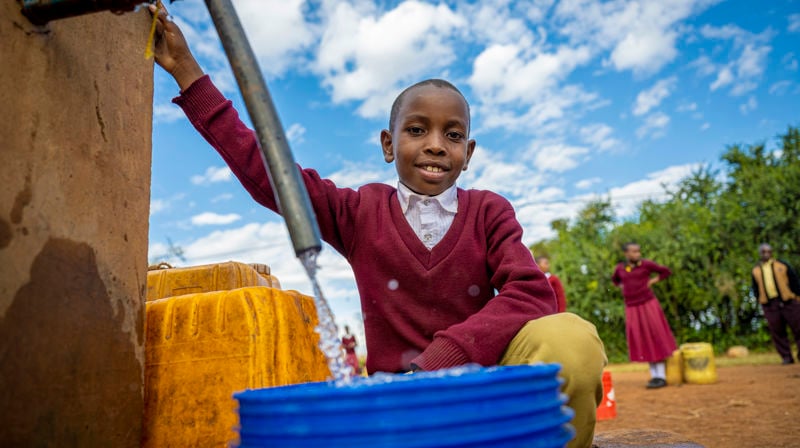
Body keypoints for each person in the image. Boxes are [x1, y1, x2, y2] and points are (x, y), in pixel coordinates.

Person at [149, 6, 606, 447]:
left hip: (481, 398)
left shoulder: (489, 212)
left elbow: (531, 293)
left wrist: (443, 361)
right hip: (398, 407)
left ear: (468, 153)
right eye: (416, 130)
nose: (435, 146)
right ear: (389, 144)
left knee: (571, 336)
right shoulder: (359, 212)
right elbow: (270, 174)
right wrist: (190, 75)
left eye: (452, 135)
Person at [611, 243, 676, 389]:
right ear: (626, 254)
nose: (637, 254)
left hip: (648, 305)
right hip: (632, 307)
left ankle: (661, 376)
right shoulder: (620, 268)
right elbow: (615, 280)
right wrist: (623, 287)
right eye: (634, 252)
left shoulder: (646, 265)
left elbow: (665, 272)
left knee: (655, 336)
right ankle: (654, 376)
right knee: (643, 339)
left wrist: (652, 281)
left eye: (638, 251)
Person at [751, 244, 800, 365]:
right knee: (777, 331)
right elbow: (755, 289)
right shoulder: (756, 270)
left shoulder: (782, 265)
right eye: (763, 252)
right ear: (760, 253)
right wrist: (761, 301)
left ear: (772, 252)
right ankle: (786, 357)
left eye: (768, 251)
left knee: (798, 328)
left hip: (788, 301)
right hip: (770, 305)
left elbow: (794, 281)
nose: (766, 254)